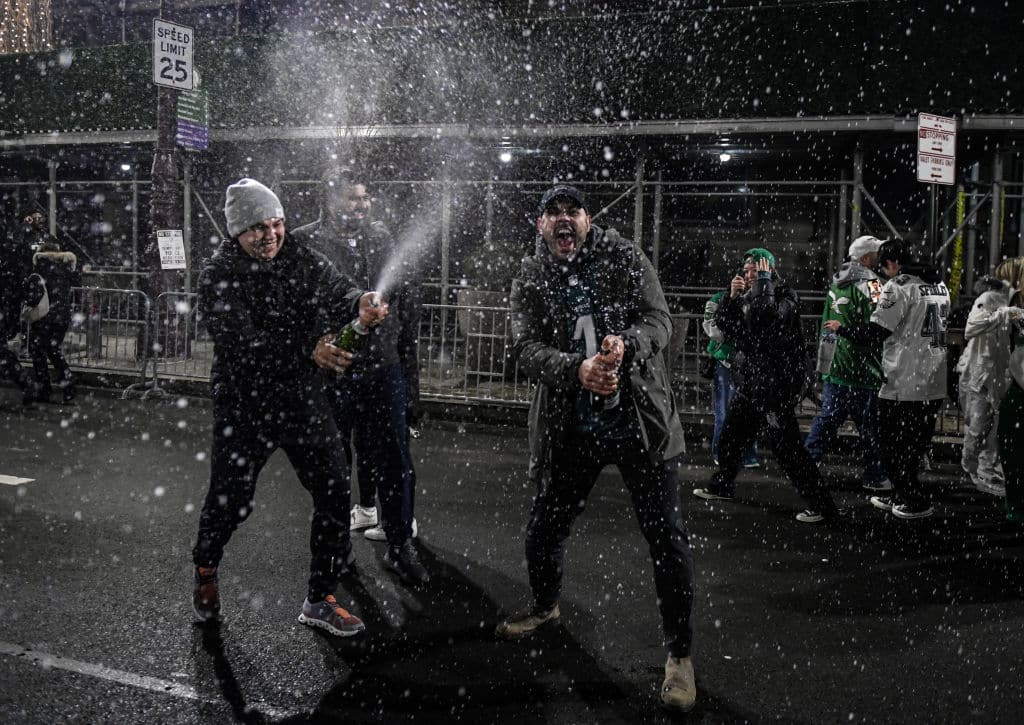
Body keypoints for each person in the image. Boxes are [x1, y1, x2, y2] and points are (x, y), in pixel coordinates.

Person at [499, 185, 697, 714]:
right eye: (553, 213)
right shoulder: (531, 275)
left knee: (666, 540)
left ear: (588, 220)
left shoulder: (625, 257)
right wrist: (576, 368)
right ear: (541, 225)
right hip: (573, 430)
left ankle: (679, 657)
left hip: (639, 425)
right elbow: (522, 346)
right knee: (545, 525)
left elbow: (660, 321)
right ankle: (545, 607)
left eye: (573, 211)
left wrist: (625, 344)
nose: (564, 220)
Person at [191, 178, 386, 636]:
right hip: (245, 406)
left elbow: (336, 286)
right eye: (258, 227)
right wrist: (308, 349)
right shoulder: (218, 274)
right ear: (237, 231)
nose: (271, 235)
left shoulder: (296, 254)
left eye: (277, 223)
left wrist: (359, 300)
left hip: (302, 399)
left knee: (335, 487)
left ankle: (320, 597)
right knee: (231, 502)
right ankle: (205, 570)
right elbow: (244, 344)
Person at [292, 166, 426, 585]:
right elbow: (291, 311)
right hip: (333, 373)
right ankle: (337, 551)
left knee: (395, 460)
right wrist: (311, 345)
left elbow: (403, 310)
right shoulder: (303, 242)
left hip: (383, 371)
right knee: (332, 467)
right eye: (351, 198)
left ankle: (400, 544)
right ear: (329, 200)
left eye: (365, 198)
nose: (361, 205)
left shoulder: (382, 237)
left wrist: (410, 379)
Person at [692, 248, 840, 523]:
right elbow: (726, 327)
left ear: (767, 271)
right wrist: (732, 298)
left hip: (774, 389)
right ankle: (722, 485)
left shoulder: (786, 295)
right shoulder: (746, 296)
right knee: (731, 438)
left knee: (789, 450)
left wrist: (763, 282)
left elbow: (765, 315)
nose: (747, 275)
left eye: (753, 270)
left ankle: (823, 506)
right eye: (746, 271)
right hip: (751, 385)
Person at [826, 240, 950, 519]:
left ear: (892, 263)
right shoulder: (939, 285)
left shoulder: (900, 286)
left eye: (885, 265)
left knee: (891, 443)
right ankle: (902, 493)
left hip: (905, 380)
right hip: (933, 380)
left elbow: (876, 331)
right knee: (914, 443)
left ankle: (912, 499)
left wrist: (843, 329)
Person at [804, 235, 890, 491]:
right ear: (866, 258)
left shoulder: (837, 281)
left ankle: (805, 466)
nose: (879, 258)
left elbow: (827, 324)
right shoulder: (873, 285)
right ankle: (875, 476)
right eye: (876, 254)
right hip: (865, 367)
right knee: (871, 428)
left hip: (838, 364)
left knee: (828, 420)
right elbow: (881, 324)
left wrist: (824, 362)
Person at [955, 274, 1015, 497]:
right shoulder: (989, 300)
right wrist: (1001, 315)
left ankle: (984, 471)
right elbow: (971, 329)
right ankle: (974, 469)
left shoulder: (1005, 304)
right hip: (979, 377)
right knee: (980, 426)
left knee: (989, 427)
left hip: (993, 377)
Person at [704, 275, 759, 468]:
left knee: (747, 410)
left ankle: (747, 454)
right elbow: (714, 331)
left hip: (745, 362)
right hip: (727, 363)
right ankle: (723, 452)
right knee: (725, 411)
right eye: (746, 273)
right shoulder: (718, 299)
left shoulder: (756, 299)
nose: (749, 277)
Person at [26, 240, 80, 404]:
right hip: (62, 316)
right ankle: (68, 387)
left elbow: (34, 294)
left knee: (37, 351)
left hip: (44, 316)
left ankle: (45, 389)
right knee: (54, 350)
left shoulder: (39, 267)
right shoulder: (66, 268)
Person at [994, 258, 1024, 523]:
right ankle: (1015, 504)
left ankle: (1015, 505)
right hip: (1016, 389)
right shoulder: (1013, 306)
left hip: (1017, 390)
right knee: (1011, 451)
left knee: (1012, 451)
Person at [0, 219, 36, 405]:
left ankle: (26, 383)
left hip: (5, 311)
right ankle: (25, 383)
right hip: (7, 312)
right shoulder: (14, 262)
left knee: (3, 354)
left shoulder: (8, 263)